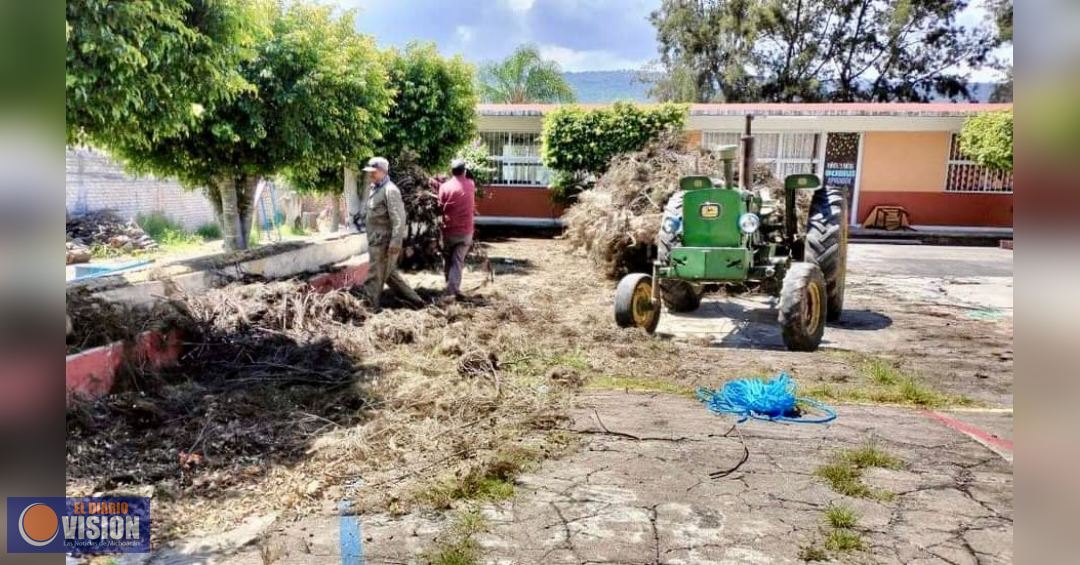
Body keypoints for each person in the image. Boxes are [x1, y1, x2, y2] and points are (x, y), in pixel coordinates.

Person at [360, 157, 424, 309]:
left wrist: (396, 242)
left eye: (373, 172)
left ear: (382, 171)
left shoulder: (390, 190)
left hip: (385, 243)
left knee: (375, 275)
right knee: (389, 275)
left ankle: (369, 308)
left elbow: (399, 219)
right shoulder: (375, 189)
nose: (370, 175)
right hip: (376, 241)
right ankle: (416, 301)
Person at [437, 159, 476, 302]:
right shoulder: (471, 185)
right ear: (464, 171)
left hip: (448, 230)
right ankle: (452, 290)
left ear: (451, 171)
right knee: (457, 261)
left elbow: (439, 207)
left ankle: (451, 288)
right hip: (465, 231)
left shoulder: (444, 187)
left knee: (448, 260)